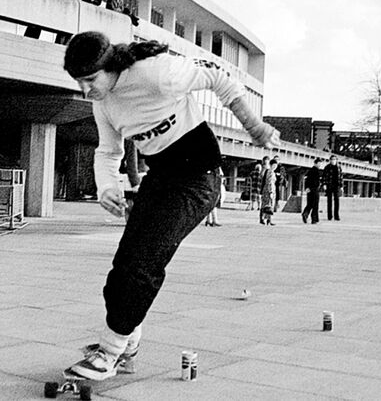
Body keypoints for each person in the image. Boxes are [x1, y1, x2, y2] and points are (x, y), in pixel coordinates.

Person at [61, 31, 279, 380]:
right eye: (79, 82)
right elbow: (108, 151)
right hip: (160, 179)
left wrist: (253, 125)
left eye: (90, 80)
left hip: (198, 179)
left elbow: (219, 77)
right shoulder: (103, 103)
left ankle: (110, 351)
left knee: (145, 262)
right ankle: (127, 345)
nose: (87, 90)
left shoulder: (157, 73)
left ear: (109, 66)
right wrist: (105, 187)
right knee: (121, 271)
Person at [302, 158, 323, 224]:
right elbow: (316, 182)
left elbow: (306, 180)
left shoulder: (310, 171)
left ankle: (305, 213)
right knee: (315, 205)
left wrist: (307, 188)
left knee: (310, 203)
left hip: (309, 190)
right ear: (315, 163)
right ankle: (314, 219)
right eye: (319, 163)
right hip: (315, 190)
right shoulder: (316, 171)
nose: (320, 165)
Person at [322, 155, 342, 221]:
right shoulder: (327, 167)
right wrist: (324, 184)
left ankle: (336, 216)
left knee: (337, 201)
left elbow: (341, 177)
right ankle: (329, 216)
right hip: (329, 185)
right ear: (330, 160)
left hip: (337, 186)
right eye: (332, 159)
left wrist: (341, 186)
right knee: (329, 201)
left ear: (336, 160)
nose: (333, 161)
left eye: (334, 159)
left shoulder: (339, 167)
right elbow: (324, 176)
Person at [260, 159, 277, 225]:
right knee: (268, 205)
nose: (275, 166)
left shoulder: (269, 171)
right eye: (274, 165)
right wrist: (271, 192)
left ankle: (266, 219)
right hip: (269, 190)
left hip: (267, 189)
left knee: (266, 205)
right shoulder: (270, 172)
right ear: (271, 165)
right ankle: (266, 219)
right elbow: (269, 182)